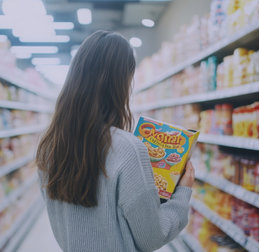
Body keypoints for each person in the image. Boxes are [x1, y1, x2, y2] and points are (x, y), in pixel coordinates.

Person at [36, 30, 194, 252]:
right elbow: (152, 237)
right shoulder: (126, 149)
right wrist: (182, 192)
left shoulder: (49, 146)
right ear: (121, 83)